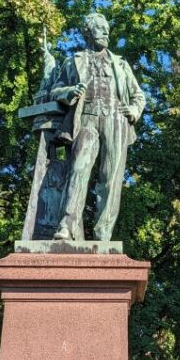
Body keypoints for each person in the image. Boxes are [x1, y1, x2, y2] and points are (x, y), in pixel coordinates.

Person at [45, 12, 145, 241]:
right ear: (88, 32)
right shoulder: (74, 61)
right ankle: (67, 225)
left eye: (107, 28)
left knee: (110, 179)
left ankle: (103, 234)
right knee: (79, 168)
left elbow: (139, 96)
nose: (106, 32)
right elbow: (55, 89)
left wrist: (135, 110)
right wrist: (69, 92)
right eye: (101, 28)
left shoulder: (120, 63)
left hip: (116, 120)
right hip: (87, 119)